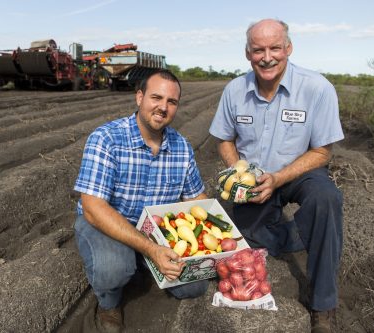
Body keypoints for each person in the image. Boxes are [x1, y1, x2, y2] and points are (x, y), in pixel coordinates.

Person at [209, 19, 343, 333]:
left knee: (326, 199)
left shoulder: (317, 88)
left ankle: (324, 304)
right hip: (253, 178)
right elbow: (224, 139)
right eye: (258, 50)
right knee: (249, 242)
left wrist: (280, 178)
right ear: (248, 53)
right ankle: (296, 232)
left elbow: (323, 152)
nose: (267, 57)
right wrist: (238, 171)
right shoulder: (235, 90)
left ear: (288, 48)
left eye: (274, 48)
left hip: (300, 172)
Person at [74, 69, 209, 333]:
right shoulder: (107, 139)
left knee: (196, 284)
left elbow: (196, 199)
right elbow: (93, 208)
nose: (163, 107)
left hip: (154, 229)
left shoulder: (181, 147)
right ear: (139, 97)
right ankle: (109, 301)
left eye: (171, 102)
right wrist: (151, 249)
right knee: (114, 268)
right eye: (156, 97)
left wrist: (228, 242)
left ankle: (144, 263)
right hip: (107, 222)